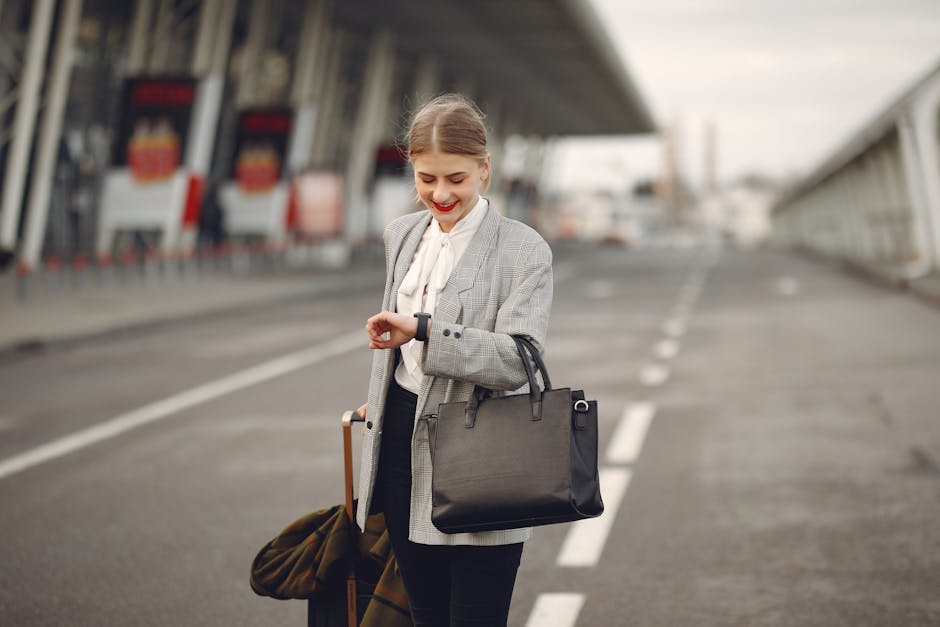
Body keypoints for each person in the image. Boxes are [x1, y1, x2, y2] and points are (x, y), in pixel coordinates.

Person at [356, 93, 553, 627]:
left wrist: (422, 329)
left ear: (485, 170)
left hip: (482, 454)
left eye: (456, 179)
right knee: (423, 616)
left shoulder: (523, 250)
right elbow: (399, 361)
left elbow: (519, 358)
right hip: (400, 446)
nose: (440, 194)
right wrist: (377, 400)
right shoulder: (401, 236)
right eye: (426, 179)